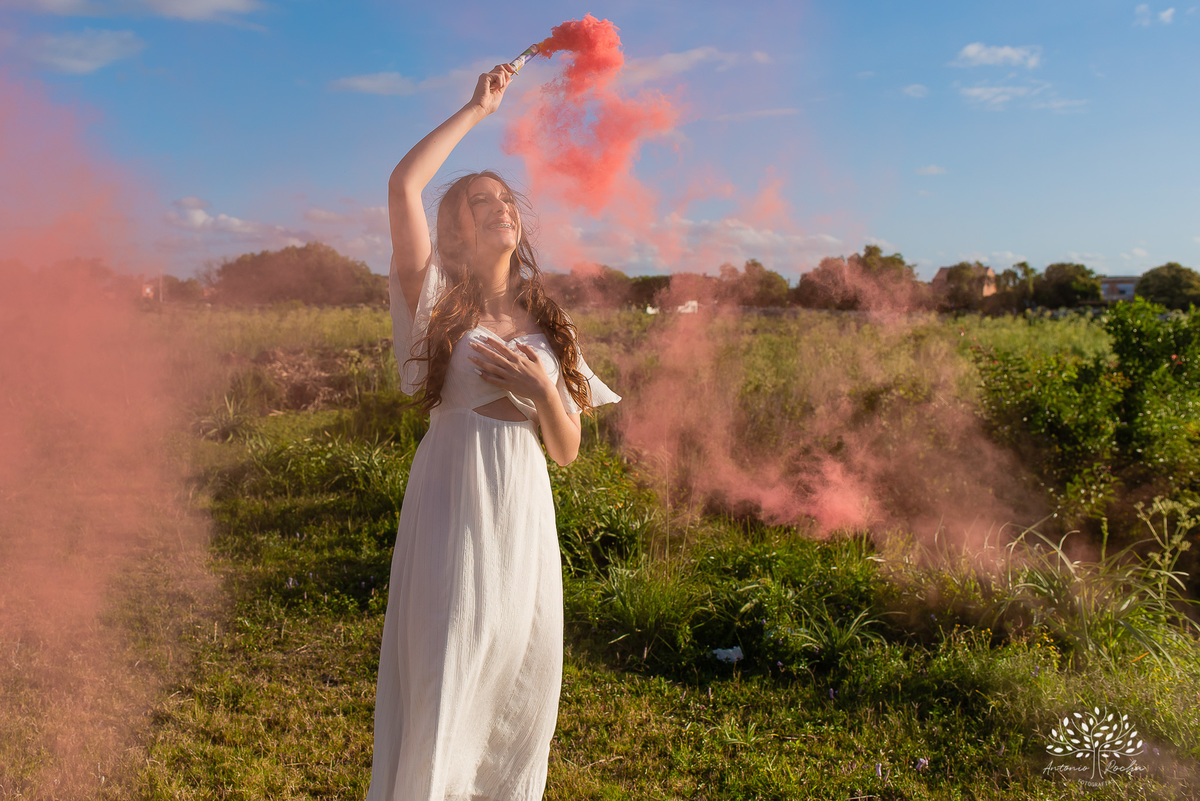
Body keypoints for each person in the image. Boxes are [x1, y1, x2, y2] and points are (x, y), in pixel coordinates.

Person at [367, 62, 620, 801]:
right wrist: (479, 109)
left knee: (520, 685)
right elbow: (402, 187)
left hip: (523, 516)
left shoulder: (550, 318)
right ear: (457, 227)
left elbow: (567, 450)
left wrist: (543, 387)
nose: (501, 206)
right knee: (450, 680)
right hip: (454, 502)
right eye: (481, 201)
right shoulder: (435, 295)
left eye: (506, 198)